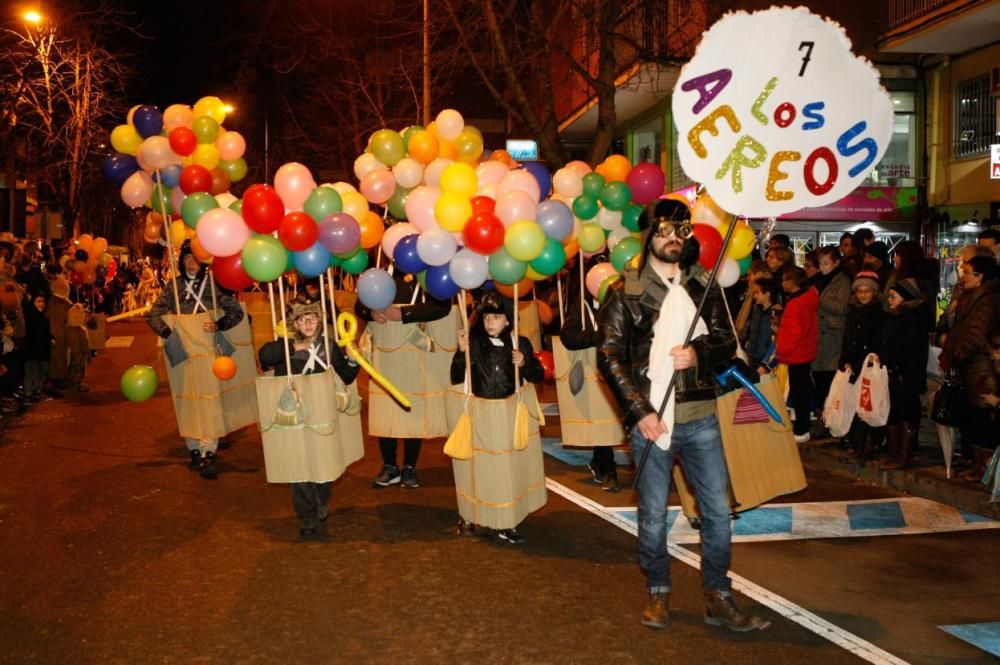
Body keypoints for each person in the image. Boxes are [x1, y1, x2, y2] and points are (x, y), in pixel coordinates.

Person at [598, 198, 769, 632]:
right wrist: (639, 412)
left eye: (682, 231)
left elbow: (727, 343)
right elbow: (610, 356)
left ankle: (718, 595)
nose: (674, 239)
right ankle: (659, 591)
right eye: (664, 231)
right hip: (653, 421)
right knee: (653, 514)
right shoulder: (627, 290)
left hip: (701, 418)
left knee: (717, 511)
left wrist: (696, 353)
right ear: (649, 236)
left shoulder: (703, 287)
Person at [259, 297, 360, 539]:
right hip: (294, 415)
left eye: (312, 318)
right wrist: (293, 348)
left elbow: (345, 376)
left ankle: (321, 497)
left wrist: (353, 360)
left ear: (320, 321)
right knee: (298, 467)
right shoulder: (285, 345)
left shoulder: (329, 345)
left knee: (322, 464)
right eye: (302, 319)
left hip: (322, 415)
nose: (308, 323)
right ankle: (307, 516)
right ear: (294, 323)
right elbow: (265, 357)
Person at [450, 293, 546, 543]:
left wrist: (524, 362)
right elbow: (456, 376)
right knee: (476, 467)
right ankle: (469, 515)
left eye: (497, 317)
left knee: (505, 469)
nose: (490, 322)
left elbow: (537, 376)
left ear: (508, 320)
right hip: (479, 415)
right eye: (486, 317)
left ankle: (507, 520)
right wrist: (461, 353)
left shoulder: (519, 343)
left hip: (507, 417)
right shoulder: (473, 341)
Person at [147, 241, 247, 479]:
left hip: (208, 352)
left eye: (195, 259)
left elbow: (237, 312)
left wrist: (219, 324)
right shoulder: (174, 287)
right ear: (181, 261)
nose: (191, 264)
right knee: (187, 401)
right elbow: (153, 315)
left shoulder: (213, 285)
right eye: (186, 259)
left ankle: (208, 452)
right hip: (183, 352)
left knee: (210, 401)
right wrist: (169, 333)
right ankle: (193, 449)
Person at [356, 265, 455, 489]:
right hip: (384, 352)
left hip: (413, 352)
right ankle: (389, 466)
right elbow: (359, 305)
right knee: (386, 409)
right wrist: (369, 312)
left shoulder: (427, 274)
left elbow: (442, 307)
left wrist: (405, 314)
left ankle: (410, 466)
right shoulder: (377, 272)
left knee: (412, 410)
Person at [940, 256, 999, 478]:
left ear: (979, 276)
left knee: (981, 417)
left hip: (981, 366)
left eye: (967, 272)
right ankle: (974, 462)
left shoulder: (988, 300)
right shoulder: (969, 297)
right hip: (969, 365)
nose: (962, 276)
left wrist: (958, 354)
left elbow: (976, 334)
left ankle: (983, 466)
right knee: (970, 416)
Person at [877, 278, 931, 469]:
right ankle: (895, 453)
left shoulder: (912, 319)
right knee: (893, 414)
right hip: (894, 373)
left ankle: (904, 455)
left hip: (906, 374)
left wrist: (887, 358)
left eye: (893, 297)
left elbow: (907, 348)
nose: (890, 300)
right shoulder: (896, 317)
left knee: (904, 414)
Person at [839, 271, 888, 460]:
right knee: (853, 402)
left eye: (867, 291)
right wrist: (844, 360)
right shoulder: (853, 313)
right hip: (853, 363)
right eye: (860, 291)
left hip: (867, 364)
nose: (863, 295)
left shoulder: (879, 315)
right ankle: (855, 441)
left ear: (874, 292)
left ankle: (867, 442)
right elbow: (847, 338)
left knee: (867, 402)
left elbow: (878, 341)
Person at [776, 266, 819, 443]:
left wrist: (782, 350)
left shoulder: (796, 303)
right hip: (804, 351)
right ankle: (804, 424)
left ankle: (802, 428)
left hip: (796, 353)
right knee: (802, 390)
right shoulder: (807, 298)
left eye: (785, 280)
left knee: (799, 392)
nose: (782, 283)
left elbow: (794, 332)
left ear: (792, 282)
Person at [812, 247, 852, 418]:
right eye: (820, 263)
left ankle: (829, 415)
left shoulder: (842, 281)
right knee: (818, 377)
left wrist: (820, 297)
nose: (822, 267)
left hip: (832, 335)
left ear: (836, 262)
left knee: (830, 377)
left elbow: (841, 307)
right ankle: (823, 412)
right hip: (818, 334)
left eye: (826, 263)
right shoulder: (818, 280)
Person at [21, 290, 53, 404]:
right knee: (31, 372)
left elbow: (46, 332)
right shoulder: (29, 316)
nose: (41, 304)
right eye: (38, 301)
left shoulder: (43, 316)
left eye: (43, 301)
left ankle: (37, 392)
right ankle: (28, 394)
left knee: (41, 372)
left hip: (42, 350)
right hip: (32, 351)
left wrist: (50, 338)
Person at [744, 277, 779, 374]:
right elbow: (750, 331)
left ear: (767, 294)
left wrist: (766, 363)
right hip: (751, 356)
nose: (754, 295)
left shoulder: (775, 313)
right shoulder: (755, 309)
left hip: (765, 360)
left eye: (757, 293)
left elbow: (776, 341)